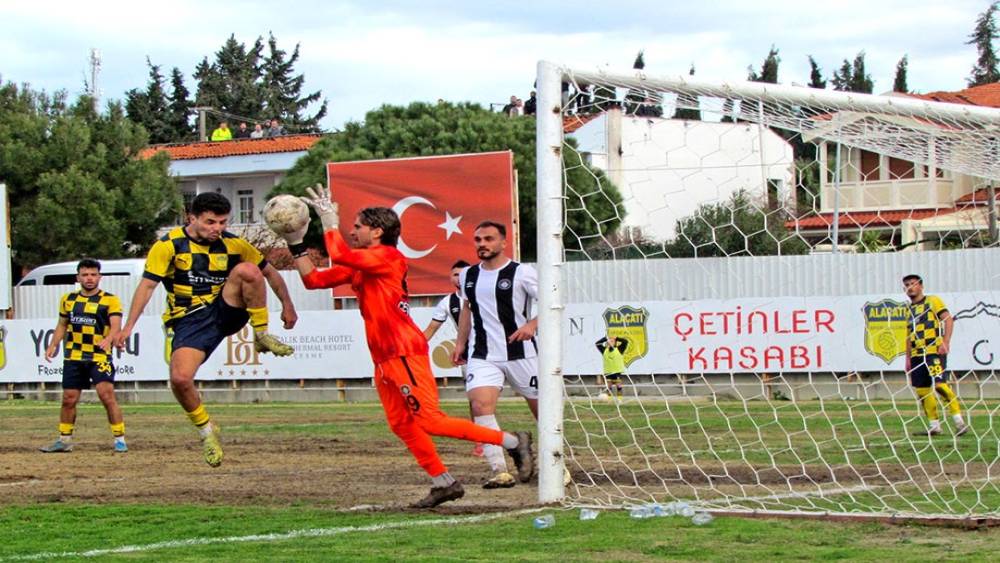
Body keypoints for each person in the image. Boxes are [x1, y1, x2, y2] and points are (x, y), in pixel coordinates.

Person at [279, 186, 533, 508]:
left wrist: (329, 221)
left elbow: (340, 254)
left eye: (357, 226)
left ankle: (513, 441)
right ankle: (443, 482)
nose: (352, 231)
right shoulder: (364, 264)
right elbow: (313, 280)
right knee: (401, 424)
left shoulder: (388, 256)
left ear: (377, 232)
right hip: (384, 356)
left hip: (403, 351)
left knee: (431, 421)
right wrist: (295, 242)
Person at [115, 193, 298, 467]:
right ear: (192, 218)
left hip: (225, 309)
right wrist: (128, 327)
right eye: (211, 222)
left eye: (222, 222)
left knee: (249, 270)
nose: (217, 228)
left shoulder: (234, 245)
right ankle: (206, 430)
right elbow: (148, 286)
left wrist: (288, 305)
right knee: (180, 379)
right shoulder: (168, 246)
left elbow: (269, 272)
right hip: (189, 319)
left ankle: (261, 334)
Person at [451, 221, 542, 489]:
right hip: (483, 354)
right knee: (479, 405)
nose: (482, 244)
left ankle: (557, 466)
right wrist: (460, 342)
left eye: (489, 239)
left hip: (522, 353)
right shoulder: (468, 275)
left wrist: (532, 325)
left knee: (544, 412)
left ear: (504, 242)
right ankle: (500, 470)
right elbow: (467, 309)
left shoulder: (522, 272)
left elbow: (553, 301)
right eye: (478, 239)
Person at [40, 259, 127, 453]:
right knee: (68, 399)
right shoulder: (68, 299)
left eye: (93, 274)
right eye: (85, 275)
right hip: (74, 356)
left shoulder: (110, 300)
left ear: (99, 277)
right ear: (78, 277)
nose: (89, 278)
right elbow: (62, 325)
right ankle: (64, 440)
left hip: (99, 357)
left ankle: (120, 439)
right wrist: (53, 344)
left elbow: (116, 326)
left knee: (107, 396)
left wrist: (109, 339)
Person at [422, 260, 482, 457]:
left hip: (501, 350)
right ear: (450, 278)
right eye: (456, 274)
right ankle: (480, 440)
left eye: (463, 274)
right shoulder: (447, 302)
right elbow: (431, 328)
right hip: (471, 355)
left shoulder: (484, 292)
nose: (459, 278)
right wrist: (412, 346)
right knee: (476, 399)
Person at [903, 274, 969, 437]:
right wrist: (908, 359)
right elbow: (909, 335)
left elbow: (948, 319)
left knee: (940, 385)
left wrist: (945, 342)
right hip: (917, 355)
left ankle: (959, 422)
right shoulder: (908, 309)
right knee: (922, 391)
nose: (910, 287)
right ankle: (934, 426)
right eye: (907, 285)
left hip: (933, 351)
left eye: (913, 283)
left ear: (921, 286)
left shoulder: (933, 301)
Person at [595, 334, 629, 400]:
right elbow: (597, 344)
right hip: (608, 372)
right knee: (609, 386)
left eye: (612, 341)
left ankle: (619, 399)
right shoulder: (604, 350)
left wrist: (617, 338)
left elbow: (625, 341)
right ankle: (609, 400)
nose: (610, 342)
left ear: (615, 343)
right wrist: (605, 338)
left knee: (618, 385)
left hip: (617, 372)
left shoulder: (619, 349)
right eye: (609, 341)